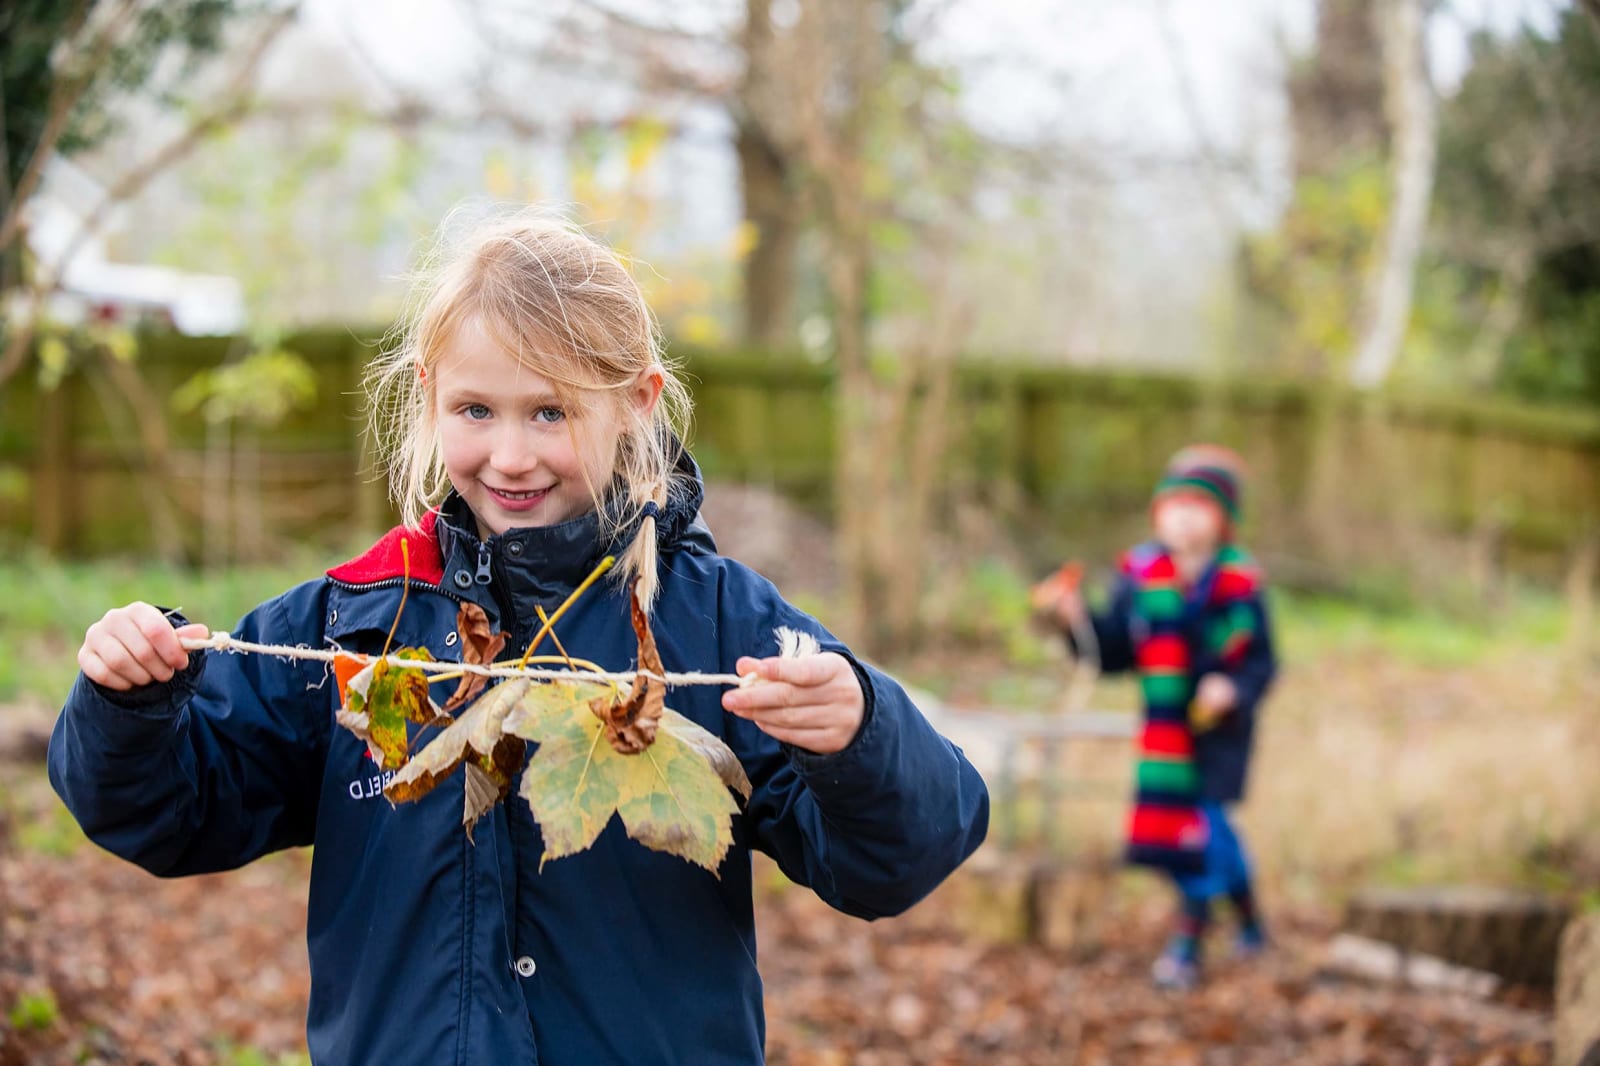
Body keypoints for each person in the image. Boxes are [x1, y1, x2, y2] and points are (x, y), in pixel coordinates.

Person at [48, 208, 990, 1064]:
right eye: (476, 411)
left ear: (637, 402)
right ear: (428, 395)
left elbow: (898, 858)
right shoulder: (358, 620)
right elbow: (169, 812)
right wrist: (129, 703)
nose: (510, 455)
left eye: (551, 412)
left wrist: (860, 734)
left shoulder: (717, 622)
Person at [1040, 445, 1276, 990]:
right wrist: (1076, 621)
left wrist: (1232, 688)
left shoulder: (1240, 586)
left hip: (1218, 737)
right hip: (1164, 736)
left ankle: (1188, 943)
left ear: (1224, 521)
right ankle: (1250, 917)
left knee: (1204, 831)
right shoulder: (1142, 578)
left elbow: (1263, 662)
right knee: (1189, 837)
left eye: (1200, 505)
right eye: (1175, 504)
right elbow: (1116, 651)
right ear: (1158, 513)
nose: (1185, 516)